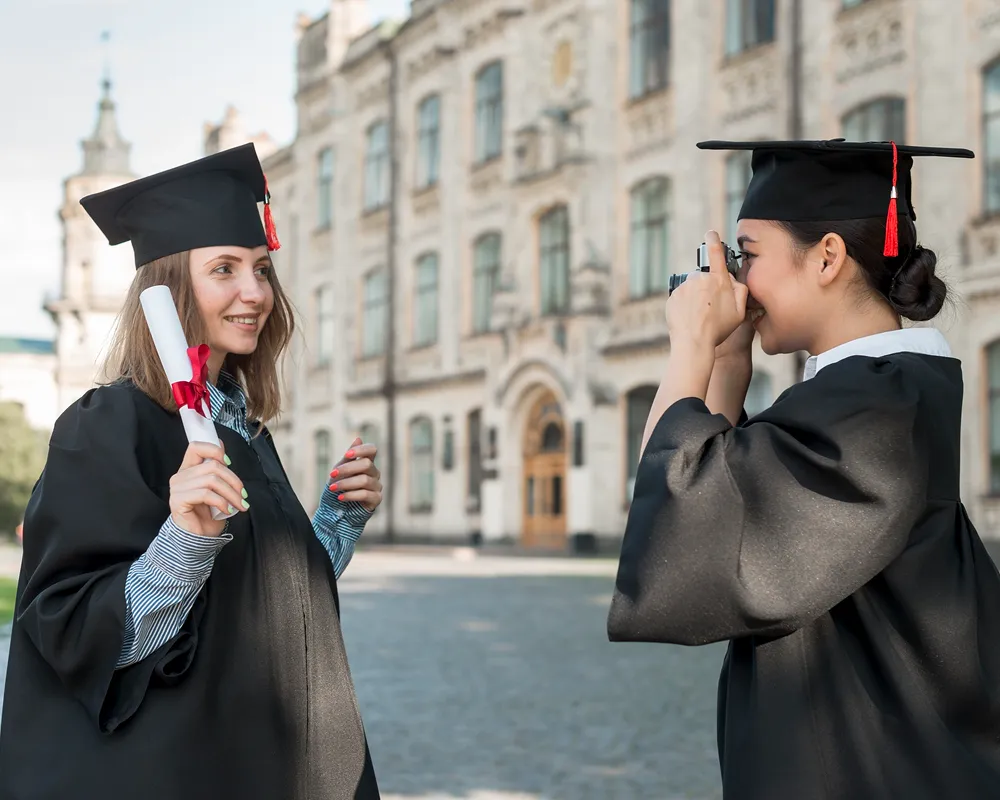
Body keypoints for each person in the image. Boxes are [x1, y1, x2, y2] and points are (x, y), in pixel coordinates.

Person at [607, 139, 1000, 799]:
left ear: (826, 257)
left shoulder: (874, 408)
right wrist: (726, 360)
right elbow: (707, 493)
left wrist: (690, 345)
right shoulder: (864, 393)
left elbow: (683, 534)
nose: (737, 281)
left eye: (749, 255)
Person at [0, 144, 383, 799]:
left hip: (269, 757)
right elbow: (79, 636)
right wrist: (183, 541)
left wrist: (337, 522)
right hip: (184, 769)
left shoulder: (241, 429)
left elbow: (267, 601)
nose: (254, 292)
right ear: (170, 287)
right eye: (224, 269)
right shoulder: (107, 425)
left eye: (262, 269)